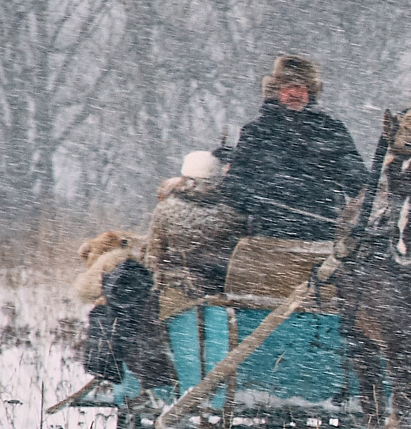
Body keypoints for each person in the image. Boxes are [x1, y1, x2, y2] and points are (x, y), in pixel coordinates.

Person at [220, 56, 370, 241]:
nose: (294, 93)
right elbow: (234, 185)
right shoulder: (256, 132)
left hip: (323, 235)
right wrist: (260, 203)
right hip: (268, 235)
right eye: (287, 87)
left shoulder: (330, 129)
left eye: (300, 87)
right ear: (276, 91)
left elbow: (356, 179)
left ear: (310, 91)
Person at [145, 150, 249, 302]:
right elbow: (239, 261)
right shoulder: (232, 216)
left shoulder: (164, 210)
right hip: (217, 294)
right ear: (217, 179)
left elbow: (153, 258)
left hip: (174, 293)